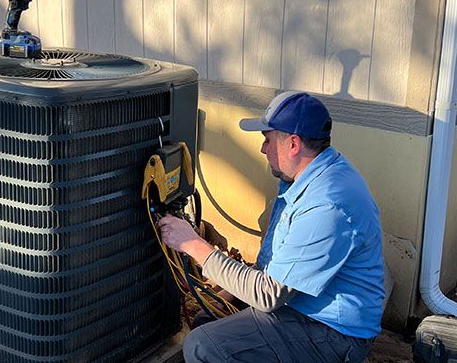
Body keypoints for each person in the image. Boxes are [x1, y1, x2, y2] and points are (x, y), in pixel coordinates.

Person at [158, 91, 386, 363]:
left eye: (267, 140)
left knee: (202, 346)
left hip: (334, 333)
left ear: (293, 144)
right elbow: (274, 264)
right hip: (299, 304)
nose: (262, 149)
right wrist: (226, 295)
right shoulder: (302, 179)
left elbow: (269, 294)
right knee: (206, 318)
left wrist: (193, 245)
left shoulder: (327, 203)